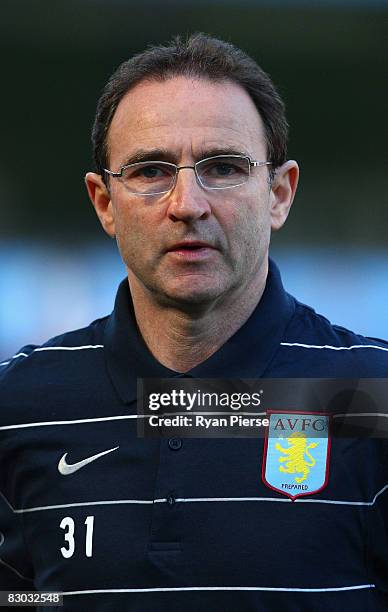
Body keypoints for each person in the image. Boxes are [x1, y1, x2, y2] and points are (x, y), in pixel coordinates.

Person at [0, 33, 387, 612]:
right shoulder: (17, 405)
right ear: (105, 203)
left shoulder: (372, 397)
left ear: (279, 193)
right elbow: (22, 600)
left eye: (224, 167)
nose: (187, 203)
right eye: (151, 170)